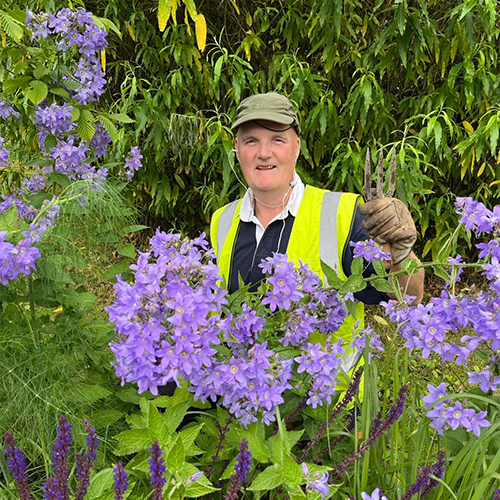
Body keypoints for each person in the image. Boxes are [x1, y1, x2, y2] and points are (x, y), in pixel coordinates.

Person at [210, 93, 424, 372]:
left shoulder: (344, 213)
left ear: (296, 147)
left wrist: (401, 252)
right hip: (244, 402)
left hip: (330, 406)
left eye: (277, 139)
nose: (264, 152)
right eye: (251, 141)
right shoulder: (222, 220)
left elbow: (408, 297)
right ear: (237, 149)